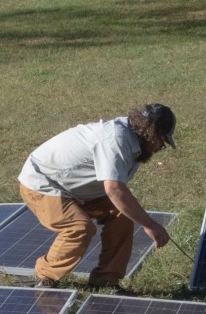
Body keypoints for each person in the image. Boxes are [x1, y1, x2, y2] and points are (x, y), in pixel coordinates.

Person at [14, 105, 176, 287]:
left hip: (74, 187)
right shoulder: (115, 139)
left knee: (122, 214)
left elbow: (117, 191)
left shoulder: (134, 141)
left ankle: (106, 281)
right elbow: (114, 189)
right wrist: (150, 224)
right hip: (42, 183)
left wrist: (143, 219)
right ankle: (44, 277)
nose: (159, 149)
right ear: (152, 135)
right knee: (79, 227)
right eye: (162, 143)